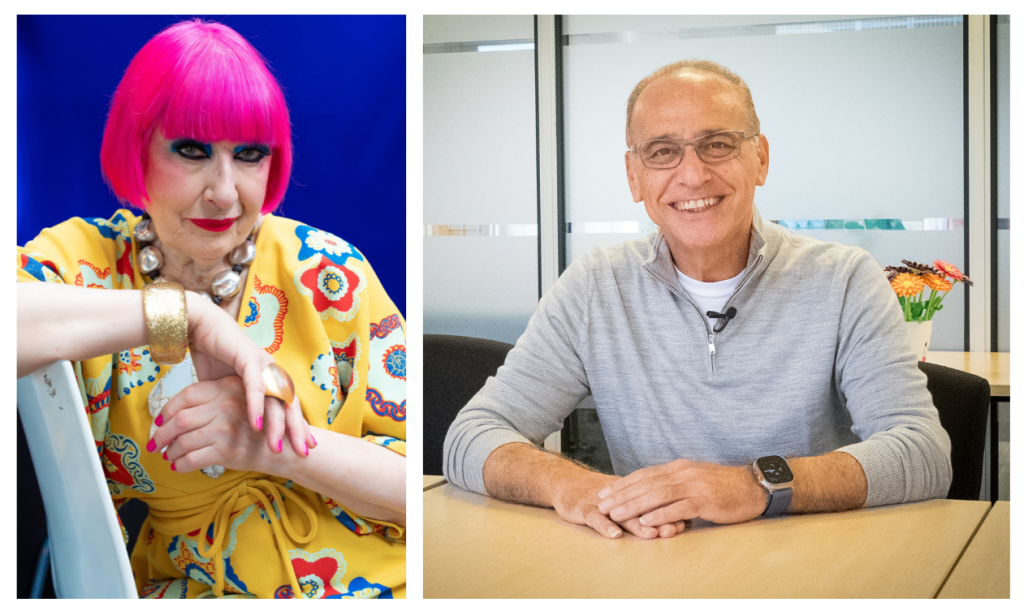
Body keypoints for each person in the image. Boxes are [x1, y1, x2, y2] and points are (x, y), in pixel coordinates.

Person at [443, 59, 951, 541]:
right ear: (634, 177)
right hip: (654, 561)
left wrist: (755, 485)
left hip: (809, 565)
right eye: (662, 152)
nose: (692, 175)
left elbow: (923, 452)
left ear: (761, 159)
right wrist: (577, 489)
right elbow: (473, 434)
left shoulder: (844, 279)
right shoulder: (596, 286)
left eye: (718, 144)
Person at [17, 20, 405, 598]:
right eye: (192, 151)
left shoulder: (328, 271)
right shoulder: (87, 265)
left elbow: (426, 488)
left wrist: (276, 449)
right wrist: (184, 316)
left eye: (250, 155)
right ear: (135, 149)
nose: (225, 192)